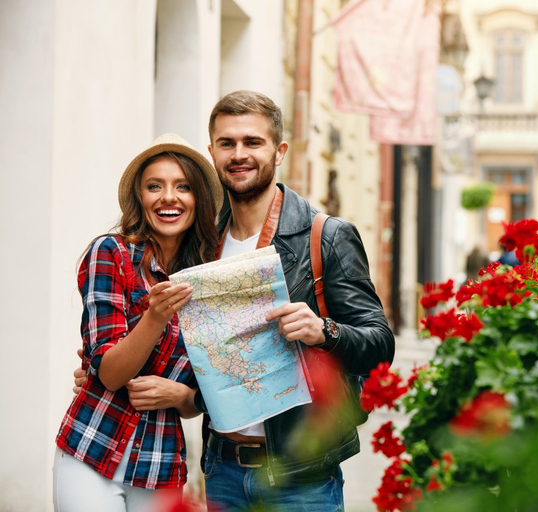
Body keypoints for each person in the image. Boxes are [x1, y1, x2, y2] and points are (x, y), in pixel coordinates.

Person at [73, 91, 395, 511]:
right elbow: (200, 352)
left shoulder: (325, 236)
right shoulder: (200, 244)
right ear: (212, 153)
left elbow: (379, 345)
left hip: (304, 479)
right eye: (227, 144)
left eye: (252, 142)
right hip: (223, 471)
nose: (239, 154)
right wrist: (100, 370)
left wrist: (324, 331)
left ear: (278, 151)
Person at [55, 134, 223, 512]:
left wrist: (183, 398)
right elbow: (111, 375)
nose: (168, 197)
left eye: (183, 186)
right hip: (91, 446)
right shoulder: (110, 254)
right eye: (154, 186)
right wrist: (155, 316)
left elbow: (205, 388)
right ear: (140, 197)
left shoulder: (208, 278)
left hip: (159, 464)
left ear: (199, 199)